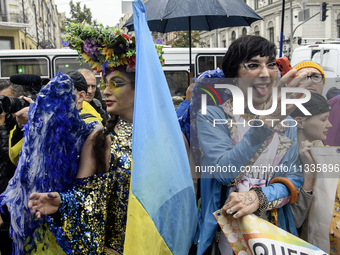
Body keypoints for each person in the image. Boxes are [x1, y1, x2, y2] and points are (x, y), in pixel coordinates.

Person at [27, 23, 163, 255]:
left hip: (162, 244)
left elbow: (187, 195)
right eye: (105, 84)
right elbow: (85, 195)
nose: (106, 91)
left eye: (116, 84)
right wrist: (62, 203)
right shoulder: (100, 137)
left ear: (140, 87)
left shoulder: (169, 135)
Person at [194, 35, 308, 254]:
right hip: (227, 237)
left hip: (273, 235)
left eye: (271, 64)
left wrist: (260, 197)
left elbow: (292, 178)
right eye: (253, 65)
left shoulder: (288, 122)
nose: (265, 73)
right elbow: (225, 173)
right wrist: (265, 125)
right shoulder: (213, 116)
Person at [0, 80, 26, 255]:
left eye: (6, 102)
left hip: (19, 210)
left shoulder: (24, 128)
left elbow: (10, 158)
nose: (3, 108)